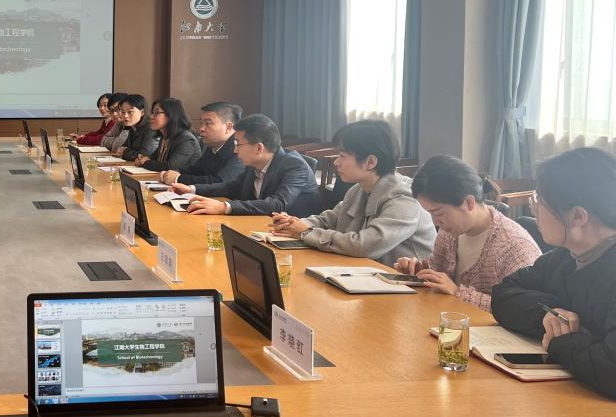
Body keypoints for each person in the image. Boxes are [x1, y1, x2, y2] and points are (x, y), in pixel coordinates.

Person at [491, 147, 616, 399]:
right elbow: (503, 294)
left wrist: (561, 341)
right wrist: (550, 314)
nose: (533, 212)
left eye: (539, 203)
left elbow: (611, 370)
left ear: (577, 216)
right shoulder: (564, 258)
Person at [269, 119, 435, 266]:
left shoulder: (405, 198)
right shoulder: (358, 189)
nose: (336, 162)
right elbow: (328, 220)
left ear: (370, 162)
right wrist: (293, 223)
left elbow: (365, 246)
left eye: (342, 156)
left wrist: (306, 232)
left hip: (407, 286)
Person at [393, 156, 540, 311]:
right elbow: (440, 278)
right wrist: (419, 274)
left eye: (439, 213)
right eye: (430, 213)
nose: (435, 222)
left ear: (469, 202)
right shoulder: (449, 234)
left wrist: (458, 292)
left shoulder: (514, 247)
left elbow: (526, 310)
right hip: (450, 320)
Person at [173, 114, 321, 216]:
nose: (235, 150)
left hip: (295, 237)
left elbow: (278, 204)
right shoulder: (254, 164)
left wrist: (224, 207)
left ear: (258, 148)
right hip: (262, 226)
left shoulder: (295, 165)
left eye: (238, 144)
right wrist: (192, 189)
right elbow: (232, 187)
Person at [160, 102, 244, 186]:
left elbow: (221, 182)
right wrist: (174, 173)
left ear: (228, 127)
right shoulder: (212, 145)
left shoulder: (239, 149)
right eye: (201, 123)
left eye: (208, 123)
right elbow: (197, 170)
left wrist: (178, 178)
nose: (201, 128)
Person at [134, 98, 201, 172]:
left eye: (156, 112)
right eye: (152, 112)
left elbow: (170, 167)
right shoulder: (165, 137)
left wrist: (144, 163)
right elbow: (153, 157)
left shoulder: (186, 139)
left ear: (171, 115)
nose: (151, 116)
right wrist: (142, 159)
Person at [115, 94, 158, 161]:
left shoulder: (151, 128)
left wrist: (125, 153)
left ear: (142, 112)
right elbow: (122, 148)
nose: (125, 116)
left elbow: (145, 156)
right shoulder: (133, 127)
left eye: (130, 112)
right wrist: (124, 151)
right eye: (123, 112)